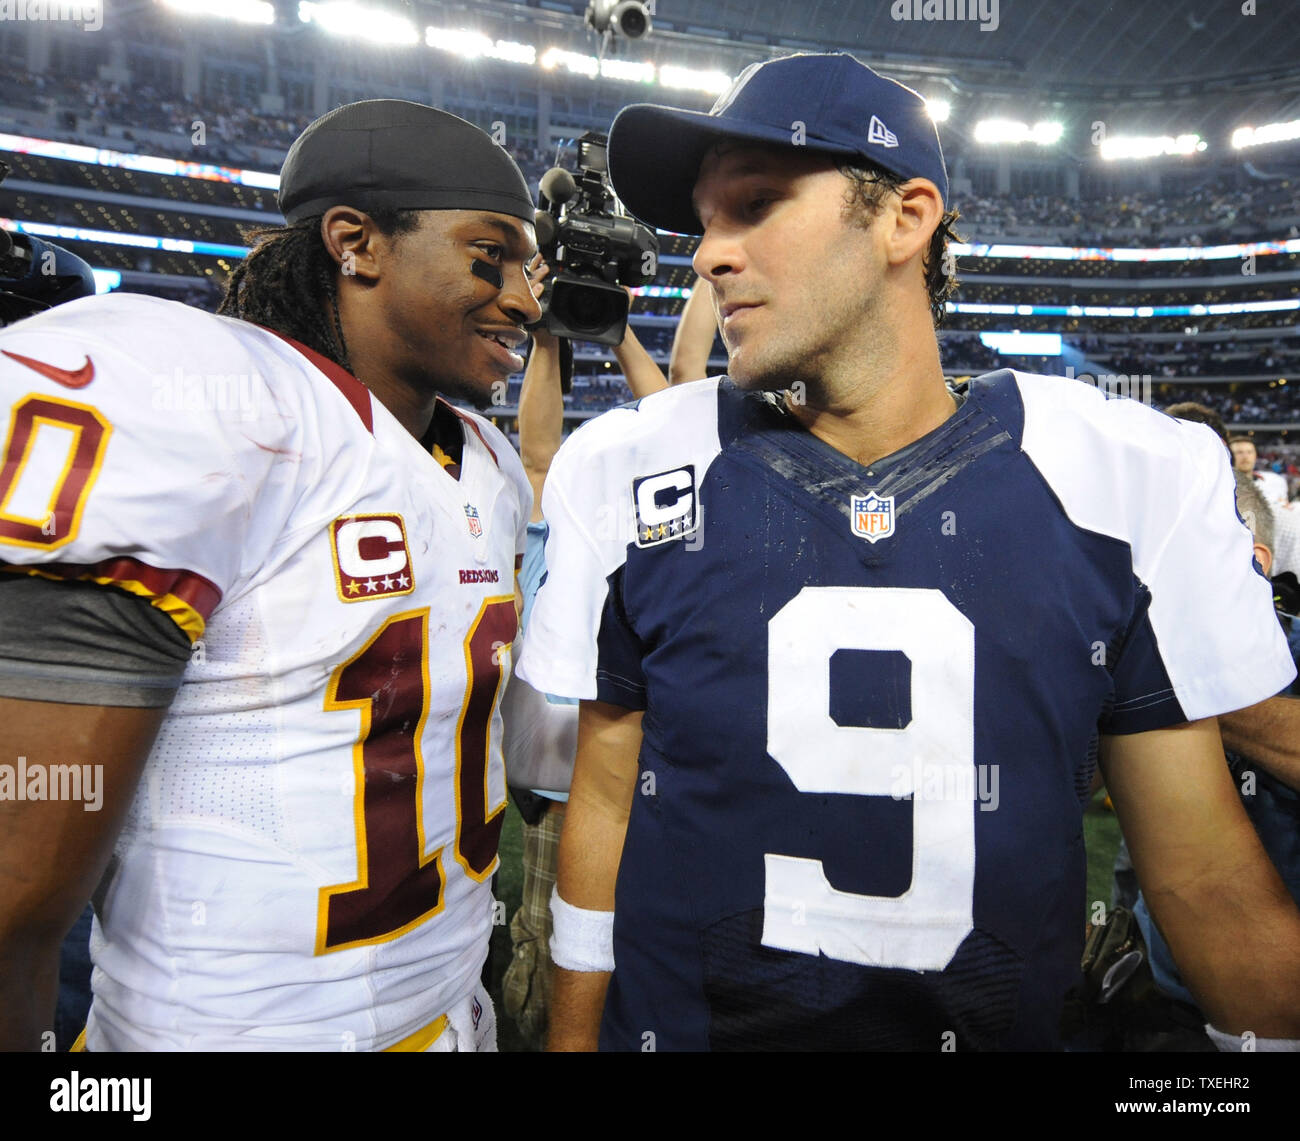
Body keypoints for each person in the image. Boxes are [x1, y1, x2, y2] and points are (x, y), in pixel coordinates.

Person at [517, 52, 1300, 1051]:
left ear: (905, 217)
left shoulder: (1118, 476)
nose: (709, 254)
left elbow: (1204, 879)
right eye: (705, 221)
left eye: (753, 205)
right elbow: (604, 802)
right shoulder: (628, 466)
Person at [0, 100, 545, 1051]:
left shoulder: (489, 463)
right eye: (487, 253)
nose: (526, 301)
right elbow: (13, 895)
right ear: (357, 243)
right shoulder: (222, 399)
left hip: (455, 1011)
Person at [501, 314, 668, 1048]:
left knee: (646, 965)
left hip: (638, 790)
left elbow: (675, 430)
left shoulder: (668, 539)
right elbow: (538, 457)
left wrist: (620, 333)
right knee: (551, 974)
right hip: (567, 790)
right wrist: (548, 341)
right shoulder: (557, 529)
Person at [1230, 434, 1289, 508]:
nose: (1245, 456)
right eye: (1239, 452)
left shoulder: (1276, 481)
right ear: (1229, 456)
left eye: (1249, 452)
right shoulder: (1224, 486)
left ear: (1256, 456)